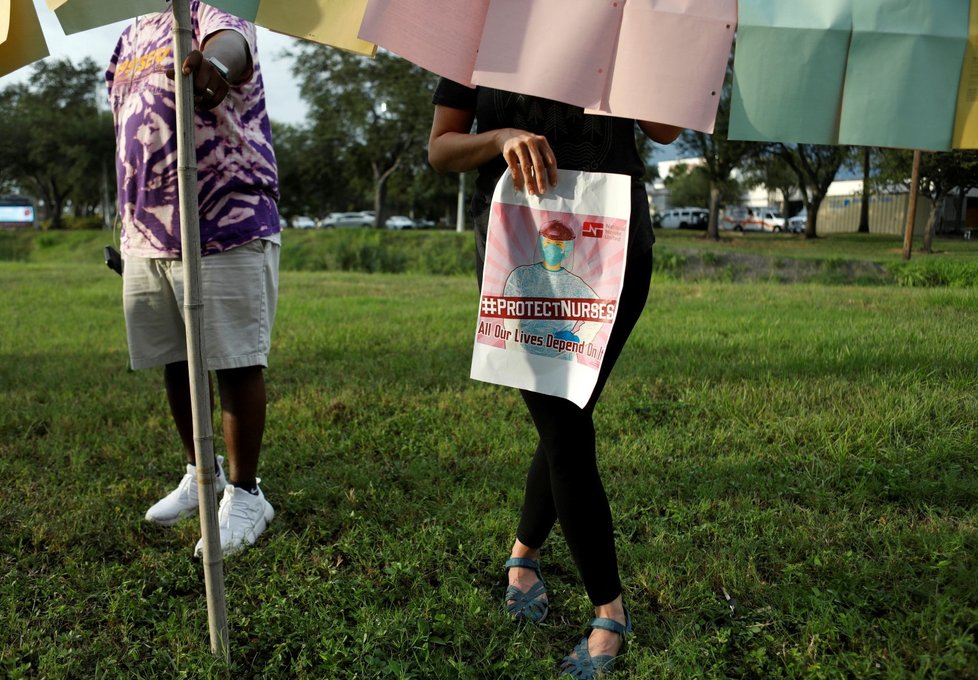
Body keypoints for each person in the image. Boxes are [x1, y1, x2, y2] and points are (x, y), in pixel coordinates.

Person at [428, 82, 682, 678]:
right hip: (517, 246)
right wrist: (500, 137)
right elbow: (441, 149)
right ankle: (609, 608)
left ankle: (523, 555)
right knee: (564, 425)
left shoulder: (623, 17)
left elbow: (666, 130)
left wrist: (633, 58)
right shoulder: (483, 23)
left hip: (613, 246)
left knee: (570, 412)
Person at [105, 1, 280, 556]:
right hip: (147, 229)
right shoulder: (132, 31)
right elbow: (124, 120)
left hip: (223, 217)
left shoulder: (211, 8)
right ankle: (202, 475)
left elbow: (233, 47)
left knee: (233, 361)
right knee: (176, 359)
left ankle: (248, 494)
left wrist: (215, 67)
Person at [502, 218, 600, 359]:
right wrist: (511, 354)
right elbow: (509, 319)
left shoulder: (575, 284)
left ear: (566, 249)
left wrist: (578, 338)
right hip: (525, 356)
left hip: (562, 361)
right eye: (548, 242)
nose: (551, 248)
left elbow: (599, 310)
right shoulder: (521, 276)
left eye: (558, 244)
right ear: (541, 244)